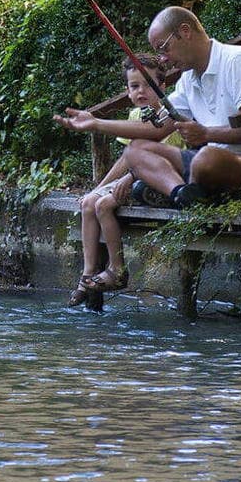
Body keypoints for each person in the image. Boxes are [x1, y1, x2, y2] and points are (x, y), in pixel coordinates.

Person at [56, 6, 241, 210]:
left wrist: (206, 134)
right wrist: (96, 123)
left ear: (185, 31)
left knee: (206, 157)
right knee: (135, 150)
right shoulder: (188, 80)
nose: (163, 59)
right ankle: (183, 194)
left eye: (163, 48)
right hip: (206, 167)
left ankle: (190, 192)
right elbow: (157, 129)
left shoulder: (238, 60)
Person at [69, 54, 179, 305]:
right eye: (134, 86)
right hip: (135, 177)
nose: (141, 91)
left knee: (103, 205)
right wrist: (98, 187)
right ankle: (87, 274)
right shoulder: (135, 116)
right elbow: (126, 159)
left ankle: (117, 269)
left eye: (148, 85)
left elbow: (165, 160)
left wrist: (128, 178)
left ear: (162, 86)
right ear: (127, 91)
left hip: (160, 181)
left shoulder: (169, 115)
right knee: (89, 202)